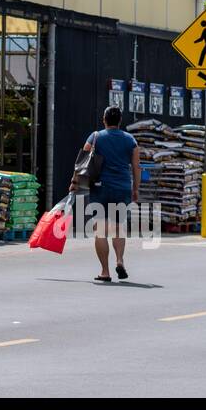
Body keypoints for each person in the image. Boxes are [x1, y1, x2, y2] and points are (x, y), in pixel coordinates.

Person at [71, 105, 141, 283]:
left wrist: (74, 182)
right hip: (122, 187)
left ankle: (105, 271)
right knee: (118, 227)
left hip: (100, 187)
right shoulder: (130, 140)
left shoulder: (95, 137)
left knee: (100, 229)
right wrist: (135, 189)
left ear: (104, 119)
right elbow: (136, 167)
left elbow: (81, 161)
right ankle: (120, 260)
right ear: (120, 121)